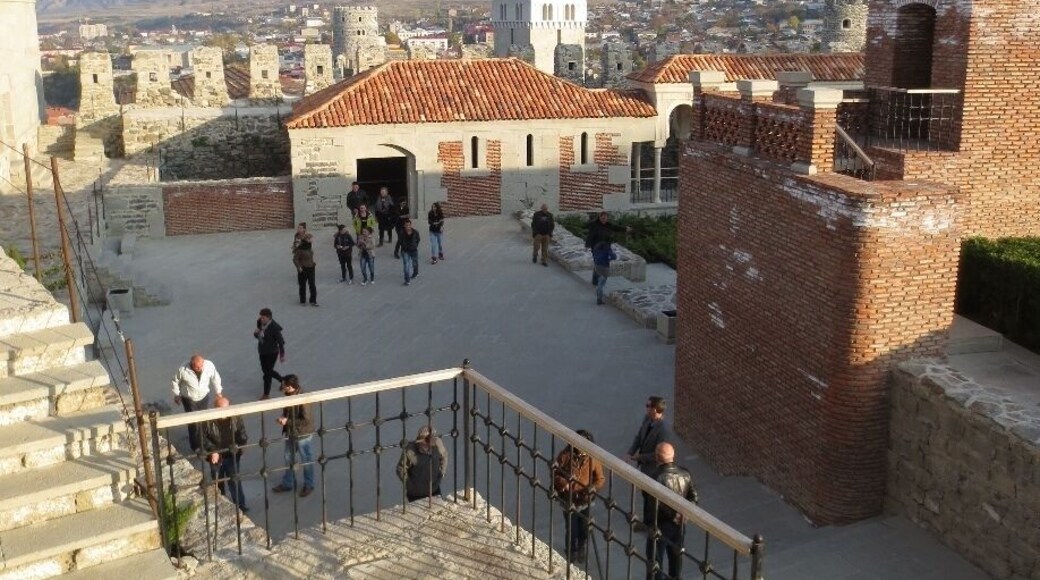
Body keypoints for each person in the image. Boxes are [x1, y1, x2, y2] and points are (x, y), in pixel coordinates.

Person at [646, 442, 698, 580]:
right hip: (680, 524)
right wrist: (684, 513)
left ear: (657, 457)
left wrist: (674, 515)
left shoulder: (655, 477)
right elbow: (694, 496)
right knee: (676, 559)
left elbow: (654, 503)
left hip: (660, 524)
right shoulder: (685, 473)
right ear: (673, 456)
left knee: (655, 561)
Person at [552, 429, 605, 562]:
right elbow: (555, 472)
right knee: (571, 529)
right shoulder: (565, 455)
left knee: (584, 529)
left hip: (585, 500)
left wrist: (591, 488)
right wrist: (562, 482)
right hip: (568, 499)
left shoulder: (593, 459)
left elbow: (600, 479)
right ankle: (571, 552)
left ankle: (581, 547)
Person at [626, 396, 672, 530]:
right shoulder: (647, 419)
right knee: (646, 495)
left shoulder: (663, 429)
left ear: (656, 410)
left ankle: (651, 524)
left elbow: (658, 454)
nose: (646, 408)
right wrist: (630, 452)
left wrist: (639, 457)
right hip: (645, 468)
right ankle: (647, 523)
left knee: (651, 498)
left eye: (648, 406)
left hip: (653, 469)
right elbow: (639, 437)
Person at [203, 395, 249, 513]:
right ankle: (220, 506)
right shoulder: (208, 420)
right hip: (217, 457)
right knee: (218, 482)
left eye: (227, 408)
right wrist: (213, 451)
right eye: (222, 408)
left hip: (232, 454)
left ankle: (240, 505)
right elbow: (203, 438)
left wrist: (242, 444)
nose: (226, 411)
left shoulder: (235, 417)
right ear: (216, 408)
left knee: (235, 481)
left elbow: (242, 432)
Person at [272, 374, 315, 497]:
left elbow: (306, 420)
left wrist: (287, 421)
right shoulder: (289, 394)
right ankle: (287, 483)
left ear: (290, 387)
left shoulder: (303, 399)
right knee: (288, 457)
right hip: (291, 431)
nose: (282, 389)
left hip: (302, 434)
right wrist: (285, 419)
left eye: (284, 386)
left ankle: (309, 484)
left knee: (306, 459)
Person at [171, 354, 224, 452]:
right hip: (189, 399)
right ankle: (196, 445)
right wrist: (177, 395)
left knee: (203, 420)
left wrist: (218, 392)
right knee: (194, 423)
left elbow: (215, 378)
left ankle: (204, 440)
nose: (200, 368)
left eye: (201, 366)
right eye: (197, 367)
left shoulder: (209, 366)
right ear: (191, 364)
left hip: (203, 397)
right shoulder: (183, 370)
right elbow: (175, 381)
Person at [396, 425, 448, 502]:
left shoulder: (438, 443)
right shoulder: (410, 450)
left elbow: (444, 455)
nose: (433, 439)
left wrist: (442, 473)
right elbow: (401, 468)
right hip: (416, 493)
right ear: (421, 440)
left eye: (434, 436)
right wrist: (409, 485)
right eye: (429, 438)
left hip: (434, 489)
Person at [585, 212, 629, 286]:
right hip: (596, 248)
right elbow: (590, 235)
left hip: (606, 247)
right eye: (602, 218)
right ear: (599, 217)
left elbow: (617, 228)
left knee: (605, 263)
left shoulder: (609, 225)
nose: (604, 219)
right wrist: (587, 245)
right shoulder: (594, 225)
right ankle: (595, 280)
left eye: (605, 218)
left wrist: (626, 229)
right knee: (597, 263)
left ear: (607, 218)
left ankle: (602, 279)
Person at [253, 308, 285, 400]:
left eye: (263, 318)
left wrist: (282, 355)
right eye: (261, 317)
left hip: (272, 352)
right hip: (262, 350)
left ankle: (266, 394)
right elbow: (258, 333)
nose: (261, 319)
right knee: (266, 370)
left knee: (267, 373)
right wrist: (256, 334)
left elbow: (281, 342)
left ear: (269, 318)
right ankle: (282, 380)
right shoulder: (259, 321)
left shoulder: (274, 328)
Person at [293, 233, 318, 307]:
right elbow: (295, 259)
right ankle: (303, 300)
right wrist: (299, 267)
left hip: (311, 268)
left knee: (312, 285)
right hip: (303, 269)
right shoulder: (300, 249)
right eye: (310, 239)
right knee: (302, 285)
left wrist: (313, 263)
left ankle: (313, 301)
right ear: (306, 240)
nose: (312, 240)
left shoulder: (309, 247)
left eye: (311, 238)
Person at [592, 241, 617, 306]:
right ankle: (599, 299)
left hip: (597, 265)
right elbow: (613, 256)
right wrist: (609, 259)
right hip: (604, 267)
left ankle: (598, 296)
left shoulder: (596, 247)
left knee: (600, 280)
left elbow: (594, 254)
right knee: (601, 283)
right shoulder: (607, 248)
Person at [399, 218, 421, 286]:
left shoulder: (415, 232)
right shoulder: (402, 233)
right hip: (405, 251)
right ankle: (407, 280)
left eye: (409, 225)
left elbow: (418, 240)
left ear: (411, 225)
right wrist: (403, 247)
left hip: (414, 251)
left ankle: (415, 273)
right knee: (406, 266)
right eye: (406, 225)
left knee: (415, 264)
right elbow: (400, 241)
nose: (408, 227)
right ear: (404, 226)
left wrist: (415, 246)